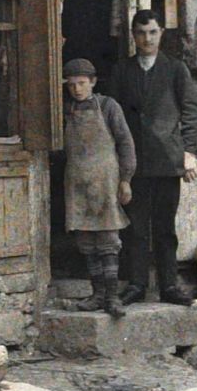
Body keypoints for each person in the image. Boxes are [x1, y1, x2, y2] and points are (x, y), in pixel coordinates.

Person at [104, 9, 197, 305]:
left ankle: (169, 286)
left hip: (166, 161)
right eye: (141, 33)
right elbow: (112, 115)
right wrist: (119, 161)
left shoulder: (175, 69)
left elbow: (191, 111)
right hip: (133, 163)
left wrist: (188, 153)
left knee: (164, 227)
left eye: (152, 32)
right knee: (135, 227)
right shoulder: (122, 71)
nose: (146, 39)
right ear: (133, 36)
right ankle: (136, 285)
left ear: (161, 34)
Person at [61, 59, 137, 319]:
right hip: (77, 182)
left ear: (92, 82)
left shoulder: (108, 107)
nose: (77, 89)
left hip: (106, 181)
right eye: (71, 85)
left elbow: (126, 143)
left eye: (81, 83)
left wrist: (125, 179)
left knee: (107, 241)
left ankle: (112, 296)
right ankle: (97, 295)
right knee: (86, 241)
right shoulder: (66, 109)